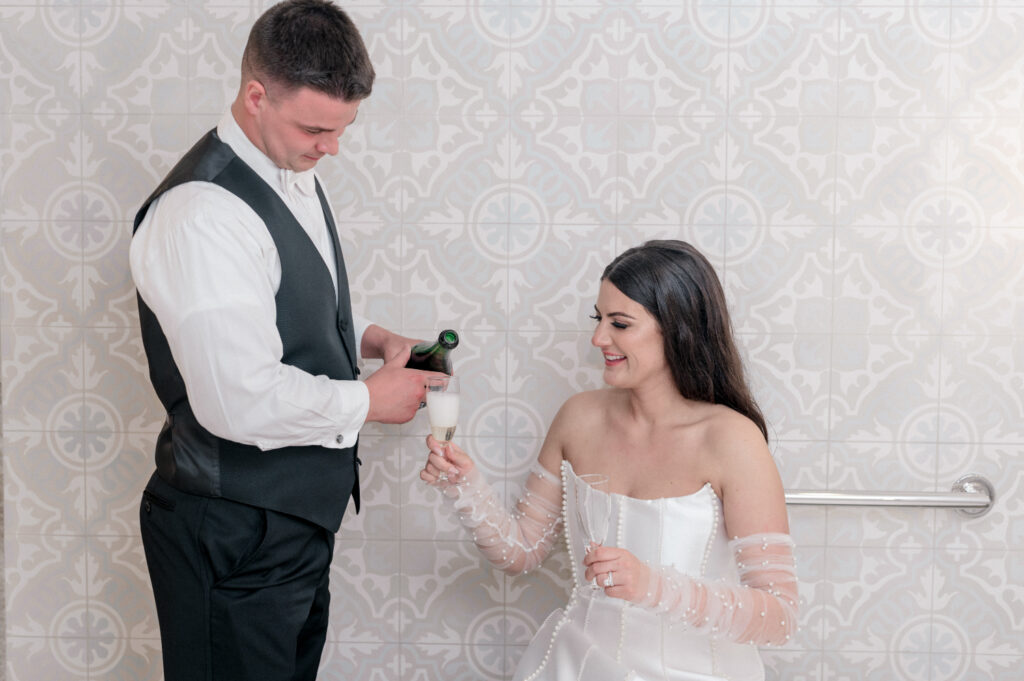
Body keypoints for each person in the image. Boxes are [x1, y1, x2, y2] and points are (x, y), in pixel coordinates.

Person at [129, 2, 436, 679]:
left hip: (286, 524)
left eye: (343, 127)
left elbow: (271, 317)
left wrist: (365, 340)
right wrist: (366, 399)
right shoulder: (203, 214)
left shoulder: (289, 166)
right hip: (234, 528)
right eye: (316, 127)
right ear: (255, 95)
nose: (332, 148)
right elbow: (235, 399)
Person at [421, 240, 798, 681]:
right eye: (598, 319)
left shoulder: (732, 440)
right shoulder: (578, 417)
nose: (599, 338)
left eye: (620, 323)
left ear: (679, 329)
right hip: (577, 666)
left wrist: (652, 585)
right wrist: (464, 486)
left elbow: (780, 617)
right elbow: (521, 552)